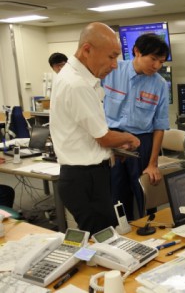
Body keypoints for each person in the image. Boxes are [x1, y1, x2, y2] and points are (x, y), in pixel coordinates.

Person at [50, 22, 140, 235]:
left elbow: (88, 135)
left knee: (101, 236)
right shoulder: (77, 84)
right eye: (111, 57)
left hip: (86, 176)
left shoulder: (76, 78)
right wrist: (130, 138)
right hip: (85, 179)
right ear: (87, 50)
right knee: (103, 238)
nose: (115, 65)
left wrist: (113, 150)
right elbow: (104, 137)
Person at [102, 33, 170, 220]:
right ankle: (121, 234)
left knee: (144, 196)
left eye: (161, 62)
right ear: (137, 52)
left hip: (142, 142)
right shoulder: (112, 71)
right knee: (116, 194)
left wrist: (153, 163)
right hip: (112, 139)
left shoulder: (160, 84)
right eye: (153, 59)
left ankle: (149, 232)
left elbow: (159, 125)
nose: (156, 66)